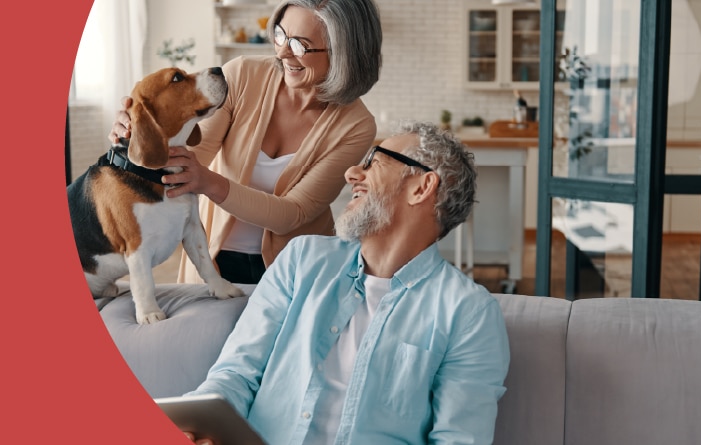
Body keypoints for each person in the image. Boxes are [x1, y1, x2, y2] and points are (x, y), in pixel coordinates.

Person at [182, 121, 511, 445]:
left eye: (374, 162)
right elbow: (236, 373)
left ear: (422, 187)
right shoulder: (302, 259)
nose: (353, 173)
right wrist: (200, 428)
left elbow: (458, 438)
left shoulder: (469, 311)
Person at [108, 0, 382, 284]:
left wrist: (210, 183)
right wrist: (138, 133)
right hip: (213, 258)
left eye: (300, 44)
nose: (283, 52)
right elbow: (189, 158)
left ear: (344, 53)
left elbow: (294, 213)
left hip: (296, 270)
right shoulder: (241, 75)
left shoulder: (357, 126)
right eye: (280, 35)